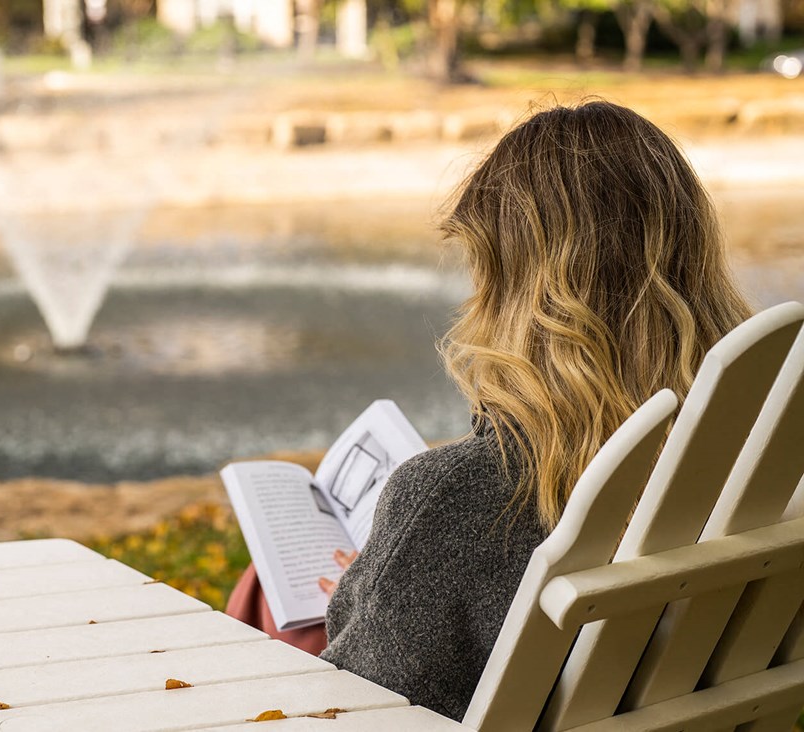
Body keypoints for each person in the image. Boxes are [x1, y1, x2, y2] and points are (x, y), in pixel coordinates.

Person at [228, 100, 752, 721]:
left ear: (517, 295)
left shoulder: (466, 496)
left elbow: (358, 705)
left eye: (486, 274)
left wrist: (372, 583)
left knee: (262, 595)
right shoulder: (752, 455)